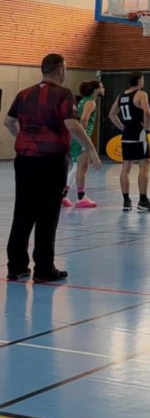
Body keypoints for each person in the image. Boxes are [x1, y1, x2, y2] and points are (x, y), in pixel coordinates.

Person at [5, 53, 101, 282]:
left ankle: (16, 267)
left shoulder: (23, 93)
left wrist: (25, 139)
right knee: (47, 215)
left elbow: (8, 121)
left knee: (23, 212)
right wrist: (91, 149)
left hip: (25, 160)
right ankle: (44, 269)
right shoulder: (63, 94)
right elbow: (72, 124)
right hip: (51, 161)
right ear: (60, 70)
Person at [109, 72, 150, 212]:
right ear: (138, 81)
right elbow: (147, 112)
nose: (143, 81)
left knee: (126, 168)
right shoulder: (141, 94)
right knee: (144, 166)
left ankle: (126, 201)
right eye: (142, 79)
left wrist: (122, 127)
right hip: (139, 134)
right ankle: (143, 200)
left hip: (126, 135)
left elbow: (112, 114)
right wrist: (147, 128)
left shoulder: (121, 95)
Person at [62, 79, 105, 208]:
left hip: (75, 137)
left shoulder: (83, 100)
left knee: (76, 167)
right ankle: (81, 198)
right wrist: (83, 136)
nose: (103, 89)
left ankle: (62, 196)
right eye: (101, 87)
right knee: (83, 167)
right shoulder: (91, 102)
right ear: (94, 90)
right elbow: (84, 118)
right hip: (80, 138)